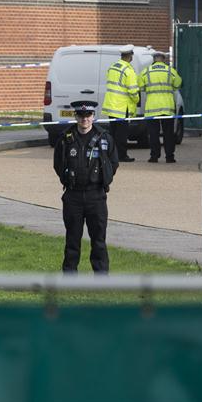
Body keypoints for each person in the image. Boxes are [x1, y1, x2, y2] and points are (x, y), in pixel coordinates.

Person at [52, 100, 119, 273]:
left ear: (93, 116)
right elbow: (58, 164)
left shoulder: (104, 138)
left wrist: (104, 180)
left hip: (96, 195)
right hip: (73, 195)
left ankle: (101, 277)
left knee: (98, 240)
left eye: (88, 115)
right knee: (72, 239)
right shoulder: (66, 139)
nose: (84, 119)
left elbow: (113, 163)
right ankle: (69, 276)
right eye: (81, 116)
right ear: (75, 116)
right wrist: (67, 178)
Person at [138, 51, 182, 163]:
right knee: (168, 134)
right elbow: (178, 84)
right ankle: (169, 157)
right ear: (163, 59)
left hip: (151, 108)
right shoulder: (170, 71)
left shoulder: (146, 72)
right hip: (167, 107)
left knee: (153, 134)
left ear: (154, 59)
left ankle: (154, 156)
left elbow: (140, 87)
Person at [101, 45, 139, 163]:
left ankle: (111, 155)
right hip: (122, 107)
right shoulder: (128, 70)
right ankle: (121, 155)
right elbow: (132, 90)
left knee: (113, 132)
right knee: (122, 134)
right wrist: (136, 99)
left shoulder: (113, 67)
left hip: (111, 105)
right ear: (130, 56)